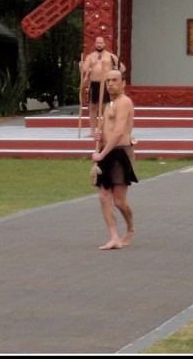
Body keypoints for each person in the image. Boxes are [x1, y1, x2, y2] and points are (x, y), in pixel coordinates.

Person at [91, 69, 136, 250]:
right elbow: (106, 129)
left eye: (114, 80)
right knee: (103, 197)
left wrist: (102, 153)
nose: (110, 83)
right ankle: (114, 237)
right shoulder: (109, 104)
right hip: (105, 152)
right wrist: (99, 141)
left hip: (120, 153)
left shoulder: (124, 102)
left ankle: (130, 229)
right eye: (108, 80)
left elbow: (118, 132)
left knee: (118, 201)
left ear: (123, 83)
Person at [79, 36, 125, 139]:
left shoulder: (111, 56)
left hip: (106, 84)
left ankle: (105, 130)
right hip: (94, 84)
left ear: (104, 44)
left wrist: (115, 76)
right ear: (95, 44)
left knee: (105, 107)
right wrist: (82, 66)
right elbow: (85, 70)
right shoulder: (90, 57)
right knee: (92, 107)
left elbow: (122, 68)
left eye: (101, 43)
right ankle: (92, 131)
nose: (99, 44)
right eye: (97, 43)